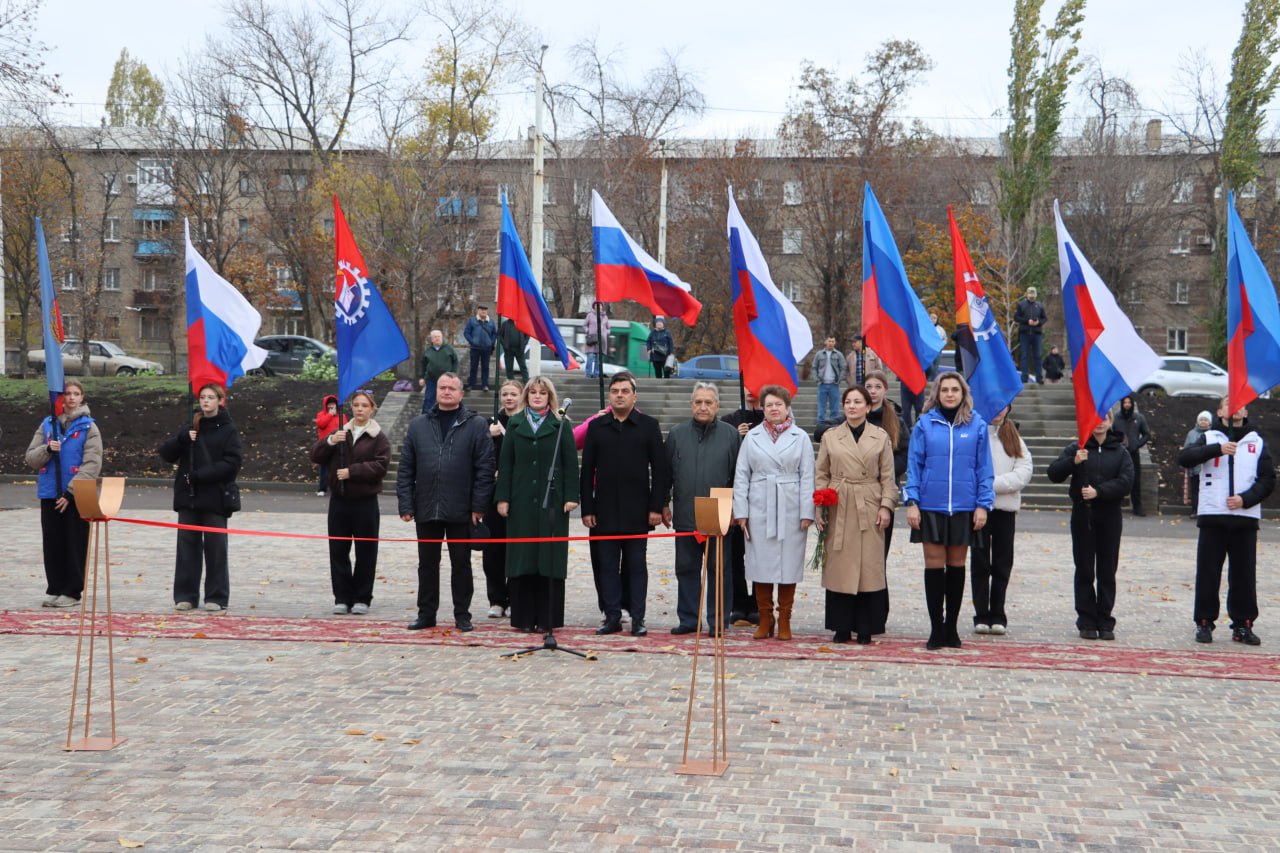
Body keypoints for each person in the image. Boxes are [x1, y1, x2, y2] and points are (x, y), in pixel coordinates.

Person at [903, 371, 994, 650]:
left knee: (956, 567)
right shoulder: (924, 424)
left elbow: (984, 468)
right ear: (937, 393)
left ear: (963, 393)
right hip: (930, 505)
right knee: (934, 566)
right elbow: (914, 465)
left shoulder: (977, 425)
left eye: (955, 389)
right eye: (945, 390)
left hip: (965, 507)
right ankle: (936, 628)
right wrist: (912, 501)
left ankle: (951, 628)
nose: (950, 394)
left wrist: (983, 504)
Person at [397, 372, 495, 632]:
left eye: (452, 388)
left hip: (461, 509)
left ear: (461, 394)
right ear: (436, 390)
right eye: (442, 387)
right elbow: (406, 467)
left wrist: (478, 506)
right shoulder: (418, 425)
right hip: (427, 507)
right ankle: (426, 613)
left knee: (461, 564)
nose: (446, 392)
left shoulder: (475, 425)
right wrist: (406, 503)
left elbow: (485, 468)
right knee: (427, 565)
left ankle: (462, 614)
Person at [581, 372, 671, 637]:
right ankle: (611, 616)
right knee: (607, 566)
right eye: (615, 391)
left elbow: (661, 470)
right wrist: (587, 508)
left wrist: (656, 507)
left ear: (634, 396)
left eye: (624, 391)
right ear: (609, 396)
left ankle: (638, 618)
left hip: (638, 512)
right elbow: (587, 471)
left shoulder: (648, 425)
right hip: (603, 512)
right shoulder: (597, 427)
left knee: (636, 566)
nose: (619, 395)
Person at [1179, 398, 1275, 645]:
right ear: (1220, 412)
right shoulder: (1209, 437)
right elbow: (1186, 458)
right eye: (1228, 404)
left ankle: (1243, 624)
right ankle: (1204, 622)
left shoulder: (1256, 441)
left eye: (1239, 403)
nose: (1235, 407)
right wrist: (1217, 450)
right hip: (1213, 516)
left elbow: (1267, 480)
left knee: (1244, 575)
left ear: (1246, 410)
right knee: (1208, 572)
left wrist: (1245, 499)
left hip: (1244, 518)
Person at [496, 376, 580, 632]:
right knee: (522, 556)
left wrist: (571, 496)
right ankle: (522, 617)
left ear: (549, 397)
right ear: (526, 396)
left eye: (542, 393)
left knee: (548, 557)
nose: (537, 396)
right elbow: (506, 463)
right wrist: (503, 497)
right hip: (521, 502)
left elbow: (569, 463)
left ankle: (548, 618)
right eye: (532, 392)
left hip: (552, 502)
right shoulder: (515, 424)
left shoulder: (560, 425)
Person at [816, 385, 898, 644]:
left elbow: (888, 476)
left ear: (868, 406)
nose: (852, 406)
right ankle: (841, 626)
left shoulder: (880, 436)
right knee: (840, 564)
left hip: (869, 502)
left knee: (868, 566)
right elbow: (821, 474)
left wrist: (886, 505)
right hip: (839, 502)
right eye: (848, 402)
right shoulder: (831, 436)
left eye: (857, 401)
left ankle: (866, 626)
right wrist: (819, 504)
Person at [732, 385, 816, 641]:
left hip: (790, 505)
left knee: (788, 564)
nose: (774, 409)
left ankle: (786, 618)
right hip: (760, 505)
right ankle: (765, 618)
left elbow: (808, 475)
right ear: (763, 409)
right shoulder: (752, 437)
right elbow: (741, 475)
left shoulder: (800, 437)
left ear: (787, 407)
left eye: (778, 404)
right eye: (769, 405)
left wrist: (806, 511)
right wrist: (741, 511)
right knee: (761, 564)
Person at [1047, 409, 1133, 641]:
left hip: (1110, 515)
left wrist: (1100, 492)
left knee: (1107, 569)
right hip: (1083, 515)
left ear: (1110, 422)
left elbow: (1126, 482)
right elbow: (1053, 473)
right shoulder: (1078, 448)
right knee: (1084, 568)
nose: (1100, 423)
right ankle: (1086, 619)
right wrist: (1072, 462)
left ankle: (1105, 619)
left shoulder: (1120, 451)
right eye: (1095, 418)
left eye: (1104, 418)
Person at [158, 383, 243, 614]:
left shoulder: (228, 430)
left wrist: (200, 476)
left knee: (216, 549)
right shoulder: (191, 426)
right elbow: (166, 453)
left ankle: (216, 596)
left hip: (214, 498)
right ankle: (186, 595)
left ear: (220, 401)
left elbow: (232, 463)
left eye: (211, 397)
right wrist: (182, 439)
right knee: (187, 548)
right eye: (203, 397)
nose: (206, 401)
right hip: (189, 498)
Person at [664, 382, 740, 635]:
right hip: (686, 506)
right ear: (691, 405)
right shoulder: (677, 433)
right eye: (698, 402)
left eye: (708, 402)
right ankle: (688, 619)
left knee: (718, 569)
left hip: (717, 504)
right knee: (686, 567)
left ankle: (718, 621)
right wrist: (664, 503)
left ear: (717, 405)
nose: (703, 406)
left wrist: (734, 508)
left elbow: (738, 475)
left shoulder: (730, 434)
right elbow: (666, 474)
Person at [310, 390, 390, 615]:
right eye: (356, 405)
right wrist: (329, 441)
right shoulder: (341, 433)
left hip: (365, 502)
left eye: (364, 405)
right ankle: (342, 597)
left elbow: (380, 466)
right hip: (340, 501)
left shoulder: (378, 437)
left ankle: (362, 597)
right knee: (338, 549)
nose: (359, 409)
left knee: (366, 551)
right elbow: (315, 455)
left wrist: (352, 472)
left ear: (372, 408)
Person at [25, 379, 102, 608]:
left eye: (76, 393)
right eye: (67, 393)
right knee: (53, 541)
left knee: (74, 541)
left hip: (76, 494)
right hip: (50, 492)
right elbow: (31, 458)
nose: (71, 397)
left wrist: (70, 493)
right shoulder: (48, 424)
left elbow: (92, 463)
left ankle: (72, 591)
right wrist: (48, 449)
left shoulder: (89, 427)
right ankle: (55, 587)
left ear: (82, 398)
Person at [970, 406, 1033, 635]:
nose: (997, 410)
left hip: (1005, 510)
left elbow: (1023, 472)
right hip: (979, 510)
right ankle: (981, 613)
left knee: (1002, 563)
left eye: (1003, 406)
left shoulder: (1013, 437)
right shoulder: (976, 433)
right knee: (980, 563)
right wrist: (984, 488)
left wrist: (989, 484)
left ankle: (998, 613)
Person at [721, 390, 765, 627]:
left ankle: (758, 603)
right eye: (747, 383)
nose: (751, 390)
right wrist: (734, 437)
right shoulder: (730, 420)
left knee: (760, 554)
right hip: (733, 495)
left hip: (761, 498)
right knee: (734, 554)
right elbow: (721, 454)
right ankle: (738, 603)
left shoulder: (771, 421)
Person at [482, 380, 524, 618]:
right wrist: (488, 436)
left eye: (513, 394)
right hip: (493, 494)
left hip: (518, 494)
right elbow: (476, 455)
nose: (509, 398)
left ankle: (515, 596)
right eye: (505, 394)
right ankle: (497, 599)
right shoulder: (490, 424)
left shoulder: (526, 422)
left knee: (516, 548)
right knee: (493, 549)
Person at [1115, 395, 1151, 516]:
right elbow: (1111, 433)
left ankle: (1137, 507)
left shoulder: (1139, 418)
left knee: (1135, 480)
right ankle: (1115, 504)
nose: (1127, 405)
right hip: (1119, 453)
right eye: (1124, 402)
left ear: (1132, 404)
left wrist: (1137, 445)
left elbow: (1147, 434)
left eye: (1129, 402)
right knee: (1117, 479)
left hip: (1133, 453)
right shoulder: (1116, 418)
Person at [418, 329, 459, 414]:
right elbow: (422, 365)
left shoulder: (449, 349)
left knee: (447, 398)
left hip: (446, 380)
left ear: (442, 337)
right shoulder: (427, 351)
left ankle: (447, 416)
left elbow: (455, 362)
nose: (437, 338)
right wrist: (421, 377)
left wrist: (453, 374)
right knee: (429, 399)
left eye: (439, 336)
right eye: (435, 337)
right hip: (431, 379)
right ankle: (425, 418)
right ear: (432, 339)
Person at [1014, 286, 1047, 384]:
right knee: (1025, 356)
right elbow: (1016, 317)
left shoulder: (1040, 305)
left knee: (1038, 356)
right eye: (1030, 296)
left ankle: (1039, 377)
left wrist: (1038, 322)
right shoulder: (1021, 305)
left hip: (1037, 334)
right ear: (1027, 295)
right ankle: (1024, 377)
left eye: (1033, 296)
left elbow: (1044, 318)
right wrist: (1026, 321)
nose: (1032, 298)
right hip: (1025, 333)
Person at [811, 336, 847, 424]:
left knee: (835, 409)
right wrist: (817, 379)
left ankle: (834, 427)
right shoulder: (819, 354)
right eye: (829, 341)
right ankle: (821, 427)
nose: (831, 343)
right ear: (825, 342)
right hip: (822, 384)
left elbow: (843, 367)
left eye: (833, 341)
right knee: (821, 409)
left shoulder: (839, 354)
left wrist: (839, 380)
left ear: (835, 343)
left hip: (834, 385)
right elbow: (814, 367)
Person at [1183, 410, 1212, 514]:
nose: (1203, 422)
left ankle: (1205, 511)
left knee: (1206, 490)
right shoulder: (1191, 433)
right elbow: (1186, 448)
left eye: (1206, 420)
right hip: (1195, 468)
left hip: (1209, 467)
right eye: (1201, 419)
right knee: (1195, 490)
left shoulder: (1212, 434)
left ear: (1210, 422)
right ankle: (1195, 510)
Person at [463, 304, 497, 392]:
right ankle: (471, 384)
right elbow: (466, 333)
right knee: (473, 366)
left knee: (485, 367)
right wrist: (472, 341)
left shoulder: (491, 322)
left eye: (485, 310)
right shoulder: (472, 321)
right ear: (478, 310)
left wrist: (491, 342)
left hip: (486, 348)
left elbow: (494, 333)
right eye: (482, 310)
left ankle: (485, 385)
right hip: (475, 348)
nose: (483, 311)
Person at [314, 394, 340, 496]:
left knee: (338, 467)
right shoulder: (321, 415)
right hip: (325, 445)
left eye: (333, 404)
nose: (331, 406)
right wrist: (329, 415)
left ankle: (337, 488)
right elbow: (321, 424)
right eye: (329, 405)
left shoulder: (341, 416)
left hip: (338, 445)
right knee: (324, 468)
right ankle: (322, 489)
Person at [584, 302, 611, 379]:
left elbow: (609, 328)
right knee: (590, 357)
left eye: (599, 305)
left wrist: (606, 333)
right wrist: (587, 331)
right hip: (592, 339)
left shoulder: (605, 317)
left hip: (601, 340)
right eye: (596, 305)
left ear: (602, 307)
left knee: (599, 358)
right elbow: (585, 325)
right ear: (594, 307)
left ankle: (596, 373)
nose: (598, 307)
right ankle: (588, 373)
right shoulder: (590, 315)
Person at [498, 317, 529, 381]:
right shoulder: (505, 324)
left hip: (519, 349)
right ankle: (510, 381)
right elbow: (500, 335)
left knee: (523, 366)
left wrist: (524, 343)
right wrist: (504, 344)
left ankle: (526, 382)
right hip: (508, 350)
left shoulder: (522, 324)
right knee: (509, 367)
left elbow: (527, 335)